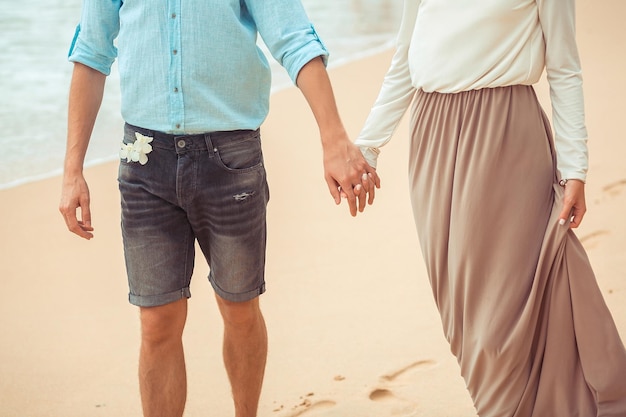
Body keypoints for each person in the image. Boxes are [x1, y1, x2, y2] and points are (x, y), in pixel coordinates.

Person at [58, 1, 379, 416]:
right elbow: (91, 52)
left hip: (230, 159)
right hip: (144, 160)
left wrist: (333, 138)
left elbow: (294, 38)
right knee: (156, 323)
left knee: (240, 310)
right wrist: (72, 171)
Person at [354, 0, 626, 416]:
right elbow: (405, 58)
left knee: (501, 319)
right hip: (433, 143)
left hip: (506, 138)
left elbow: (564, 67)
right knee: (462, 317)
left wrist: (575, 166)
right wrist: (368, 147)